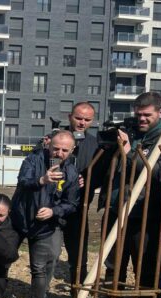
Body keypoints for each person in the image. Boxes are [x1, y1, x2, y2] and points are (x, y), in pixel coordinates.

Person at [97, 92, 161, 298]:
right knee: (113, 265)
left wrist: (130, 151)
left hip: (145, 214)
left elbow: (159, 173)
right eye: (139, 114)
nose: (142, 119)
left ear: (159, 113)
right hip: (118, 208)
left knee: (145, 268)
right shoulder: (130, 131)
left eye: (147, 115)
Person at [11, 131, 79, 298]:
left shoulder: (72, 173)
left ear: (72, 150)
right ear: (49, 145)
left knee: (40, 267)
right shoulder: (33, 160)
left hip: (46, 226)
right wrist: (42, 180)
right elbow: (23, 181)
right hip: (20, 219)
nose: (59, 153)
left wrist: (54, 211)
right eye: (55, 148)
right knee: (3, 256)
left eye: (64, 150)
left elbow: (72, 203)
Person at [61, 103, 100, 287]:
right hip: (52, 206)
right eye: (79, 118)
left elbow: (102, 175)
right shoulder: (55, 137)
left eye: (87, 120)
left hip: (79, 208)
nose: (82, 123)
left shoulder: (97, 145)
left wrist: (88, 181)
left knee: (78, 258)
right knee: (45, 254)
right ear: (70, 116)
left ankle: (78, 296)